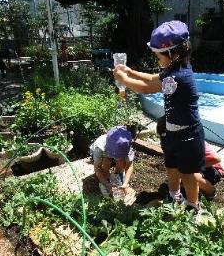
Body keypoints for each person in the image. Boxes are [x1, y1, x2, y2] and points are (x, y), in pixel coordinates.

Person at [113, 20, 211, 212]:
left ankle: (193, 206)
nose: (157, 60)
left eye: (158, 57)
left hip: (188, 135)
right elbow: (151, 78)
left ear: (172, 53)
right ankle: (174, 196)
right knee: (172, 168)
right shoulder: (172, 69)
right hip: (172, 132)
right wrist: (130, 72)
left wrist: (123, 79)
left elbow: (148, 88)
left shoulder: (178, 77)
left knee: (188, 175)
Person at [90, 125, 135, 197]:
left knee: (121, 163)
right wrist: (106, 184)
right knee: (106, 161)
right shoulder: (99, 147)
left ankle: (118, 176)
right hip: (103, 156)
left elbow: (129, 166)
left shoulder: (126, 146)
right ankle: (106, 178)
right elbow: (97, 168)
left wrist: (125, 183)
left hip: (112, 155)